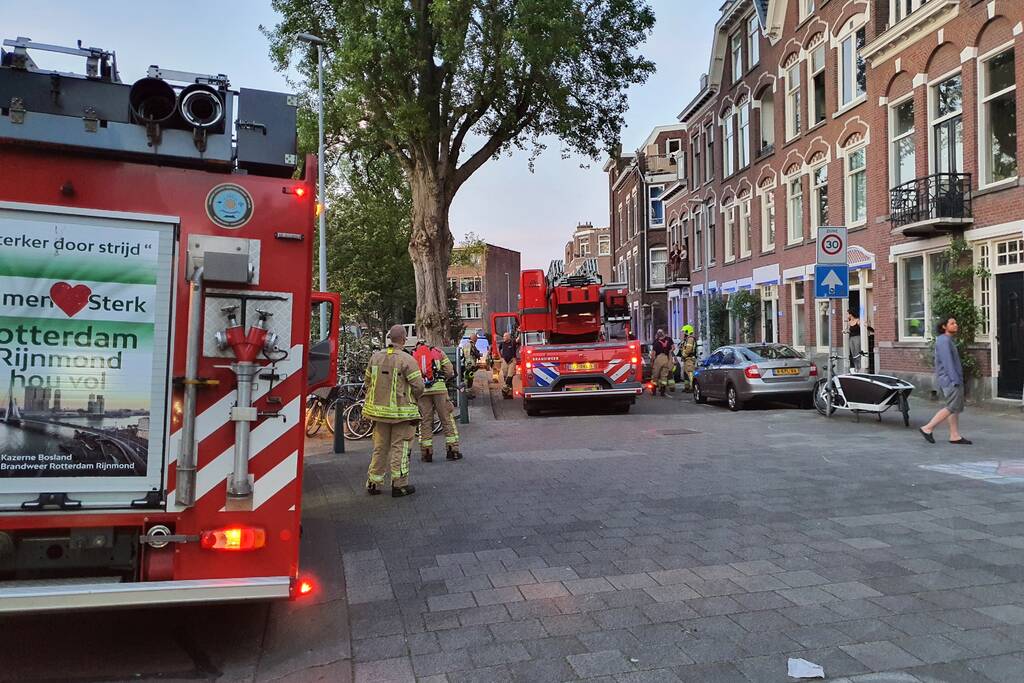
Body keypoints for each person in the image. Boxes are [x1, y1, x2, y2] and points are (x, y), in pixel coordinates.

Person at [363, 325, 425, 497]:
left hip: (378, 413)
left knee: (380, 447)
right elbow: (418, 387)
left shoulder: (375, 357)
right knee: (401, 446)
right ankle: (399, 485)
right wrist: (413, 399)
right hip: (401, 414)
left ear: (390, 338)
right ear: (404, 338)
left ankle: (373, 483)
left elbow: (367, 381)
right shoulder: (407, 360)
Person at [920, 317, 971, 445]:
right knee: (952, 407)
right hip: (950, 380)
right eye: (952, 323)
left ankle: (954, 435)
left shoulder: (947, 340)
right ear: (944, 327)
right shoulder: (943, 341)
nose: (956, 325)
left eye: (955, 322)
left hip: (951, 379)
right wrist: (955, 380)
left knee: (955, 408)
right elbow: (947, 362)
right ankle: (928, 428)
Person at [412, 341, 461, 462]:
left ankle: (426, 453)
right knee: (446, 419)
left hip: (423, 391)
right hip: (439, 390)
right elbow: (449, 371)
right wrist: (444, 379)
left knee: (425, 421)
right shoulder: (439, 353)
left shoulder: (414, 355)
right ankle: (452, 450)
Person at [847, 309, 876, 373]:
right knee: (853, 353)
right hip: (851, 338)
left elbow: (862, 327)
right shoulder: (849, 322)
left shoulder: (858, 320)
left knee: (858, 352)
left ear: (851, 314)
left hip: (857, 338)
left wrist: (867, 326)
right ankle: (856, 368)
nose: (847, 315)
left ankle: (860, 367)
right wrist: (846, 331)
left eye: (847, 314)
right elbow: (849, 331)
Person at [650, 329, 675, 396]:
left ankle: (654, 390)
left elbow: (653, 354)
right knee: (664, 376)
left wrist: (652, 362)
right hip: (666, 358)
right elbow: (673, 347)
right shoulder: (669, 340)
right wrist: (669, 352)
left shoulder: (656, 342)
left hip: (658, 358)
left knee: (655, 375)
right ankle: (662, 391)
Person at [497, 331, 520, 399]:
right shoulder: (502, 343)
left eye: (505, 336)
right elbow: (499, 349)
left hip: (512, 361)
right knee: (505, 377)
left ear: (508, 337)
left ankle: (505, 390)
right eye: (503, 336)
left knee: (510, 377)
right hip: (504, 361)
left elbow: (518, 339)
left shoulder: (512, 342)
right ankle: (508, 394)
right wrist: (500, 357)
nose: (504, 337)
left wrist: (519, 332)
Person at [679, 324, 698, 392]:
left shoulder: (690, 339)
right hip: (687, 359)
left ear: (688, 331)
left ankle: (692, 387)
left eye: (684, 331)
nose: (683, 333)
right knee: (685, 374)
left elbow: (688, 349)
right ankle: (687, 387)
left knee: (690, 373)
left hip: (689, 358)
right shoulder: (687, 339)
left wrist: (683, 355)